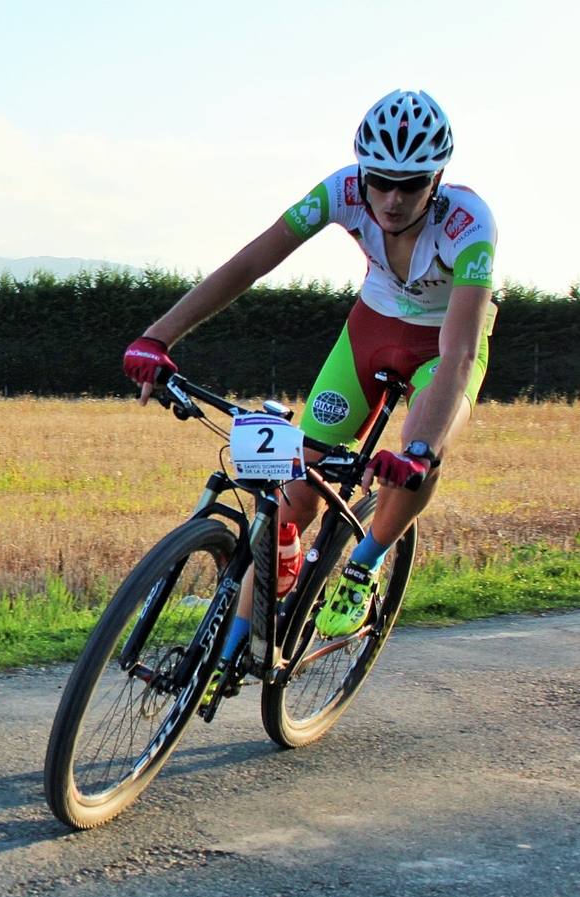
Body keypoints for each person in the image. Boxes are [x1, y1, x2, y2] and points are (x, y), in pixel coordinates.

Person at [121, 89, 496, 665]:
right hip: (372, 328)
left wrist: (419, 450)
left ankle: (365, 562)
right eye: (380, 180)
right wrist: (158, 336)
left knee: (419, 460)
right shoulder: (342, 191)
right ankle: (241, 641)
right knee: (296, 487)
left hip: (442, 346)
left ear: (438, 179)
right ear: (362, 172)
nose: (392, 200)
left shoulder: (470, 225)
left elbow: (460, 351)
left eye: (411, 184)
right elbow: (251, 262)